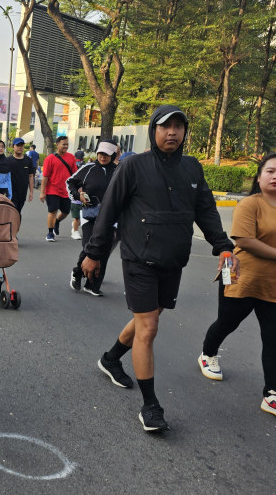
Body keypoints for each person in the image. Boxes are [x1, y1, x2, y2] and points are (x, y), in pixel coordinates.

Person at [81, 105, 238, 432]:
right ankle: (151, 406)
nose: (172, 132)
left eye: (179, 127)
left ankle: (111, 358)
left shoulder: (192, 169)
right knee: (149, 327)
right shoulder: (134, 166)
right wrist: (93, 253)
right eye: (166, 126)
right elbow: (108, 209)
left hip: (173, 259)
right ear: (154, 130)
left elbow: (206, 210)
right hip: (138, 256)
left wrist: (222, 246)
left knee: (147, 319)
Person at [199, 153, 276, 418]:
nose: (275, 176)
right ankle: (208, 354)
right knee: (227, 322)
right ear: (259, 176)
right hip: (240, 276)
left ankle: (272, 393)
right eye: (270, 171)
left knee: (273, 337)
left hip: (273, 285)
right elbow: (245, 240)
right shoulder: (249, 204)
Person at [68, 140, 119, 296]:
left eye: (107, 154)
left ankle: (92, 285)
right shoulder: (88, 168)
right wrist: (79, 195)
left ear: (113, 155)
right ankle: (77, 273)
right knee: (89, 246)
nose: (103, 157)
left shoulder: (119, 171)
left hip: (111, 217)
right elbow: (70, 183)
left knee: (103, 249)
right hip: (89, 215)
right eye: (101, 154)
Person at [40, 136, 76, 242]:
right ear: (57, 145)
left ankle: (57, 221)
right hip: (52, 189)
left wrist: (78, 188)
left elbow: (75, 174)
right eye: (63, 144)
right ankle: (50, 233)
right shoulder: (50, 158)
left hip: (66, 191)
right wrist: (42, 192)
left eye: (67, 144)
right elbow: (45, 176)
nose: (66, 146)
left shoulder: (71, 157)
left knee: (66, 211)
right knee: (53, 210)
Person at [9, 137, 36, 215]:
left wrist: (31, 192)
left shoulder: (28, 160)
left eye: (22, 145)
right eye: (18, 145)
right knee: (12, 213)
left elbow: (31, 176)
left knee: (18, 212)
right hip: (11, 193)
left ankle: (16, 227)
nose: (20, 147)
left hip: (22, 193)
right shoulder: (8, 160)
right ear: (13, 147)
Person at [69, 149, 87, 240]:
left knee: (80, 216)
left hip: (81, 193)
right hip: (78, 194)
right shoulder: (83, 165)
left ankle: (75, 229)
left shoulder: (84, 166)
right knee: (78, 216)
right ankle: (75, 231)